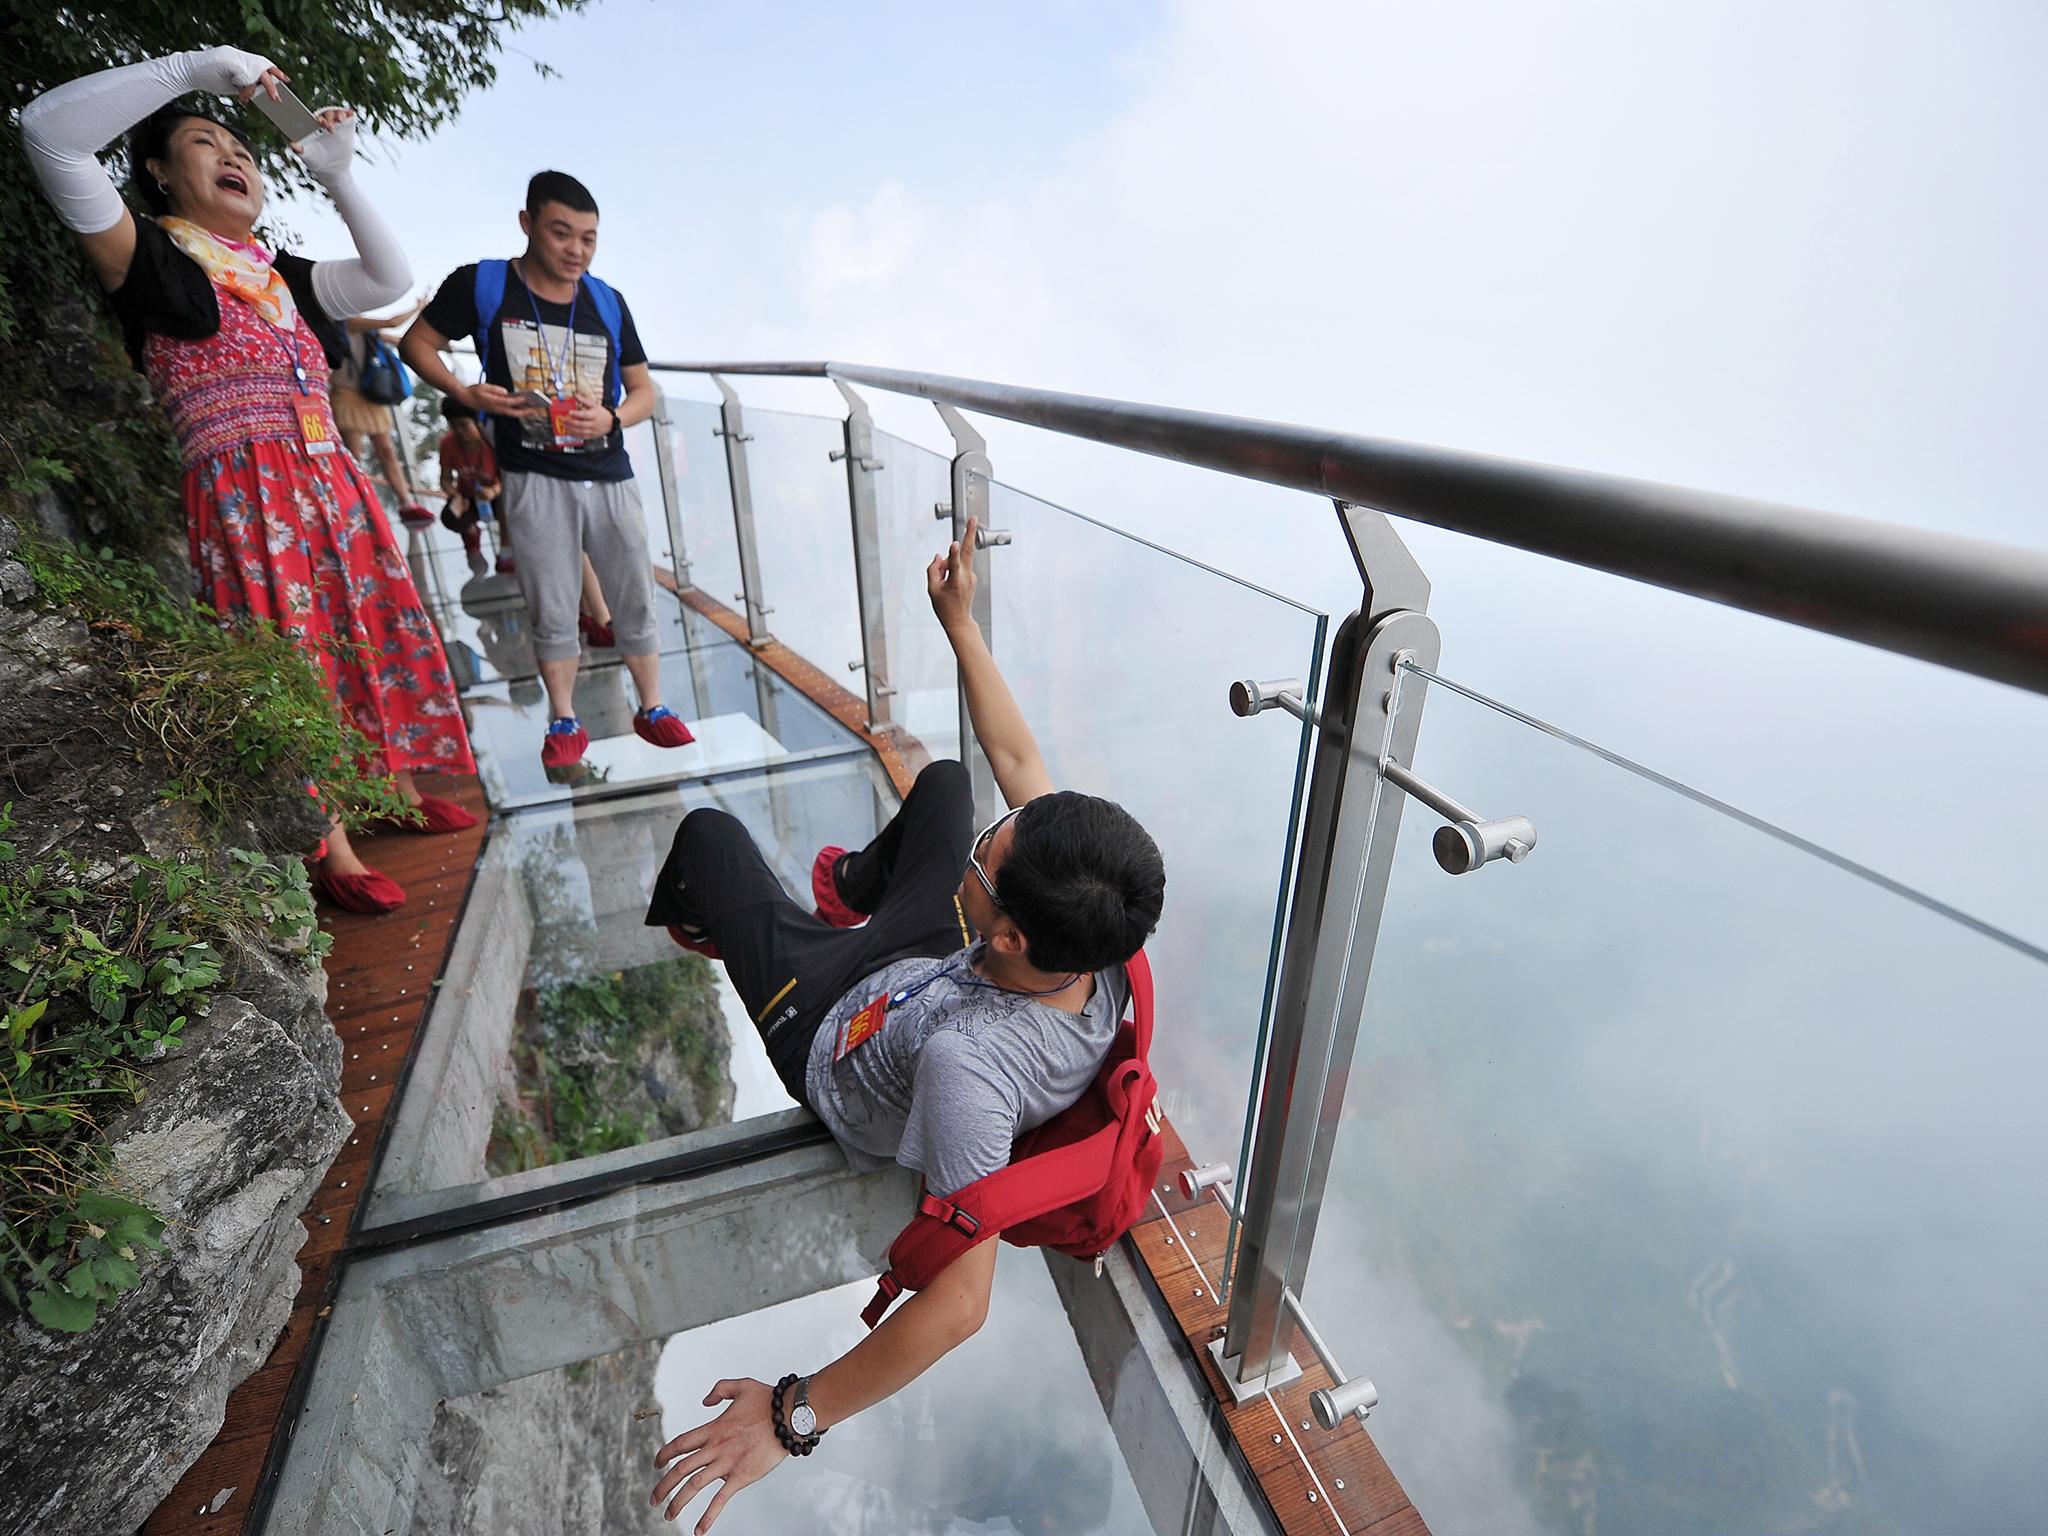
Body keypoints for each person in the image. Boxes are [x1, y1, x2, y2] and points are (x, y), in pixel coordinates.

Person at [644, 517, 1165, 1532]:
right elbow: (1011, 752)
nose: (978, 850)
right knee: (943, 781)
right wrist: (960, 622)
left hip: (834, 1038)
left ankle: (732, 933)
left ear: (1009, 927)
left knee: (706, 840)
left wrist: (791, 1418)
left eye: (984, 859)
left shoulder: (971, 1074)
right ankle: (845, 885)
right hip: (928, 969)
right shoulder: (1102, 938)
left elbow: (960, 1308)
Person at [18, 46, 477, 915]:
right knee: (290, 664)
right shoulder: (146, 260)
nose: (234, 156)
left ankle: (397, 792)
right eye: (203, 141)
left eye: (246, 150)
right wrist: (192, 70)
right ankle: (329, 844)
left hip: (333, 484)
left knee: (370, 636)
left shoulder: (282, 277)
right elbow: (47, 134)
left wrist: (339, 177)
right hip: (245, 501)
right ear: (156, 171)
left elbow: (390, 278)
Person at [401, 171, 692, 769]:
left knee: (633, 589)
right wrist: (465, 391)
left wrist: (611, 419)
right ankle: (564, 716)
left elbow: (643, 390)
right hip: (531, 472)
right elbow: (416, 345)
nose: (576, 250)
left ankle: (653, 706)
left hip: (609, 471)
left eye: (588, 238)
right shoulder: (483, 285)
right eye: (562, 233)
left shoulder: (606, 301)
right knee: (552, 597)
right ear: (527, 223)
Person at [440, 395, 616, 643]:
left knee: (572, 550)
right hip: (536, 492)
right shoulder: (473, 440)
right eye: (455, 426)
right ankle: (592, 618)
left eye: (464, 425)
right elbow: (448, 478)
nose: (460, 432)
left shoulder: (496, 440)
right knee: (569, 552)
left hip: (539, 491)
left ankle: (596, 619)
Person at [334, 296, 432, 523]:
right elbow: (391, 322)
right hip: (347, 395)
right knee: (354, 454)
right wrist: (418, 308)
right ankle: (357, 502)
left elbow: (390, 336)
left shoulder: (364, 328)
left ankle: (406, 503)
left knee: (387, 450)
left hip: (372, 395)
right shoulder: (346, 320)